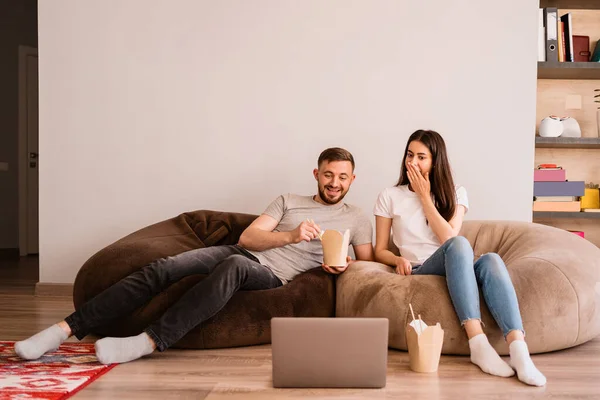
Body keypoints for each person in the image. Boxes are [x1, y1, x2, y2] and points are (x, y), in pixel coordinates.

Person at [16, 147, 374, 364]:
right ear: (316, 173)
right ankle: (61, 330)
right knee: (163, 267)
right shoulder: (289, 202)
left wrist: (341, 265)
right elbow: (249, 237)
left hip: (273, 276)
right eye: (328, 174)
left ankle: (149, 341)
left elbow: (366, 261)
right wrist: (291, 235)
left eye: (342, 176)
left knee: (233, 266)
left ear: (352, 179)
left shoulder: (355, 218)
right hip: (243, 251)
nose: (334, 182)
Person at [373, 130, 546, 387]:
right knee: (460, 244)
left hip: (457, 262)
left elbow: (448, 238)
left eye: (422, 157)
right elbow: (380, 250)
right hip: (423, 268)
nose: (413, 162)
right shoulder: (390, 195)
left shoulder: (457, 193)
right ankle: (477, 342)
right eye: (410, 155)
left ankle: (519, 350)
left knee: (491, 260)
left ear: (435, 162)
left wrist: (424, 197)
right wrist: (396, 259)